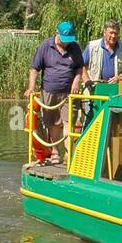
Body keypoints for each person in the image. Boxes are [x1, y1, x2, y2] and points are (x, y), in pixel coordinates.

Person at [25, 21, 85, 166]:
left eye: (68, 41)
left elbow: (79, 68)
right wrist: (31, 88)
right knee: (52, 123)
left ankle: (69, 154)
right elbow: (34, 69)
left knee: (68, 122)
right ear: (56, 33)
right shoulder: (46, 46)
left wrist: (76, 81)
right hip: (49, 91)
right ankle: (55, 152)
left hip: (68, 93)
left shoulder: (74, 47)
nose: (66, 44)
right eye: (64, 41)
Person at [83, 19, 122, 87]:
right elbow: (80, 66)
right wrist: (86, 80)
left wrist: (120, 77)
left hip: (114, 89)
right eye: (111, 33)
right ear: (104, 32)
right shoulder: (92, 46)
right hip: (93, 88)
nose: (113, 36)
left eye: (116, 33)